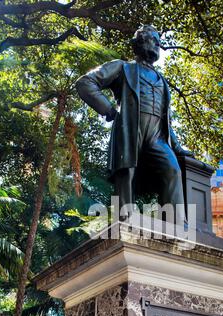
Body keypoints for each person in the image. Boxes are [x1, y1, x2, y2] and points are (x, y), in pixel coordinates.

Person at [76, 25, 194, 225]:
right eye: (152, 39)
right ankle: (124, 217)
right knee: (127, 171)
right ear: (139, 43)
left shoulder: (162, 81)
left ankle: (176, 223)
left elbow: (166, 120)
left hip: (157, 135)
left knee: (172, 170)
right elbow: (85, 82)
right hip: (130, 129)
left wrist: (177, 147)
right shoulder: (123, 67)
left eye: (159, 41)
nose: (157, 44)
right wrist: (109, 110)